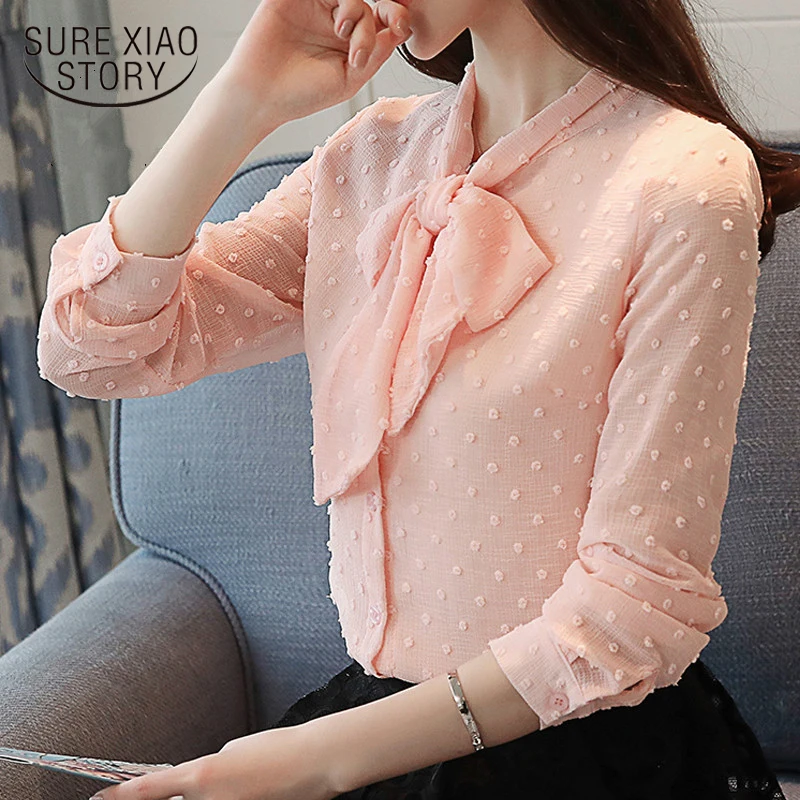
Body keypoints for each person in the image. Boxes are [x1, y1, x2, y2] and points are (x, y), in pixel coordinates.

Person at [36, 0, 800, 798]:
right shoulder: (372, 157)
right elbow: (90, 345)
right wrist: (242, 98)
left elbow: (634, 610)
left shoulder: (682, 178)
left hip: (580, 750)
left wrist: (314, 762)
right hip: (383, 734)